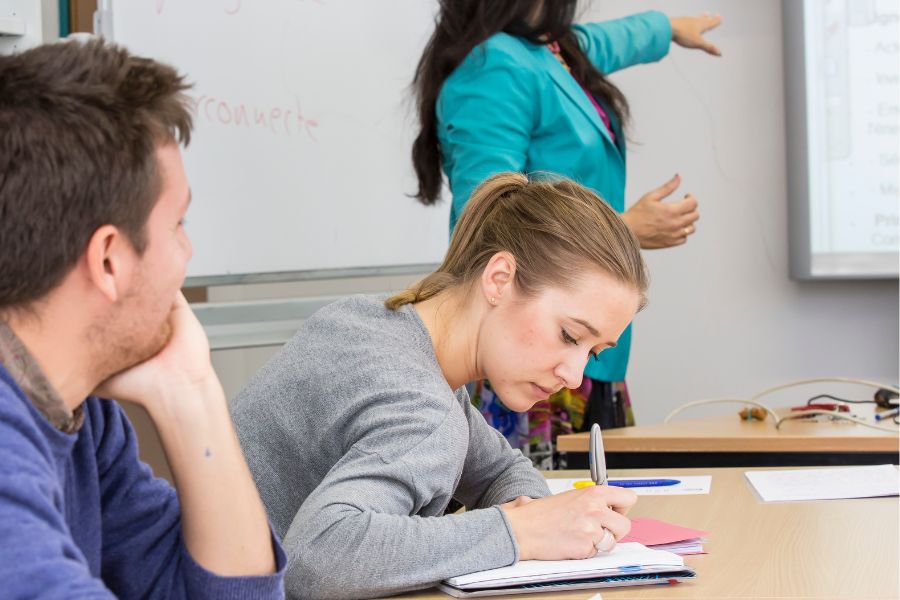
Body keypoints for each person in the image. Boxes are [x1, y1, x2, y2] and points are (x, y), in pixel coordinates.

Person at [232, 172, 647, 598]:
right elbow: (317, 557)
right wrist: (519, 532)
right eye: (569, 336)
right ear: (499, 279)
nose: (574, 376)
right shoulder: (423, 406)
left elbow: (500, 470)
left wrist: (538, 518)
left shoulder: (371, 321)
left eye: (593, 352)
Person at [0, 40, 286, 597]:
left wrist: (192, 392)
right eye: (177, 224)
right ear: (109, 260)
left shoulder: (80, 413)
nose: (187, 253)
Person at [411, 1, 722, 458]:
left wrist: (670, 28)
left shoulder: (551, 49)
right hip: (534, 358)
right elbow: (485, 221)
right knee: (533, 510)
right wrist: (625, 228)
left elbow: (607, 40)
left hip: (585, 345)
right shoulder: (495, 68)